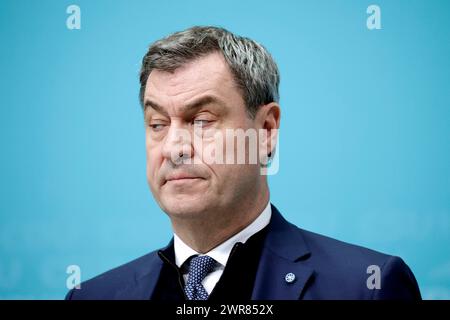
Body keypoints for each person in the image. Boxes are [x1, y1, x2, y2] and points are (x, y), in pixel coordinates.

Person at [66, 26, 421, 300]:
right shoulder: (94, 295)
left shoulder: (366, 286)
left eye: (201, 120)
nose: (174, 147)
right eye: (157, 124)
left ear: (265, 130)